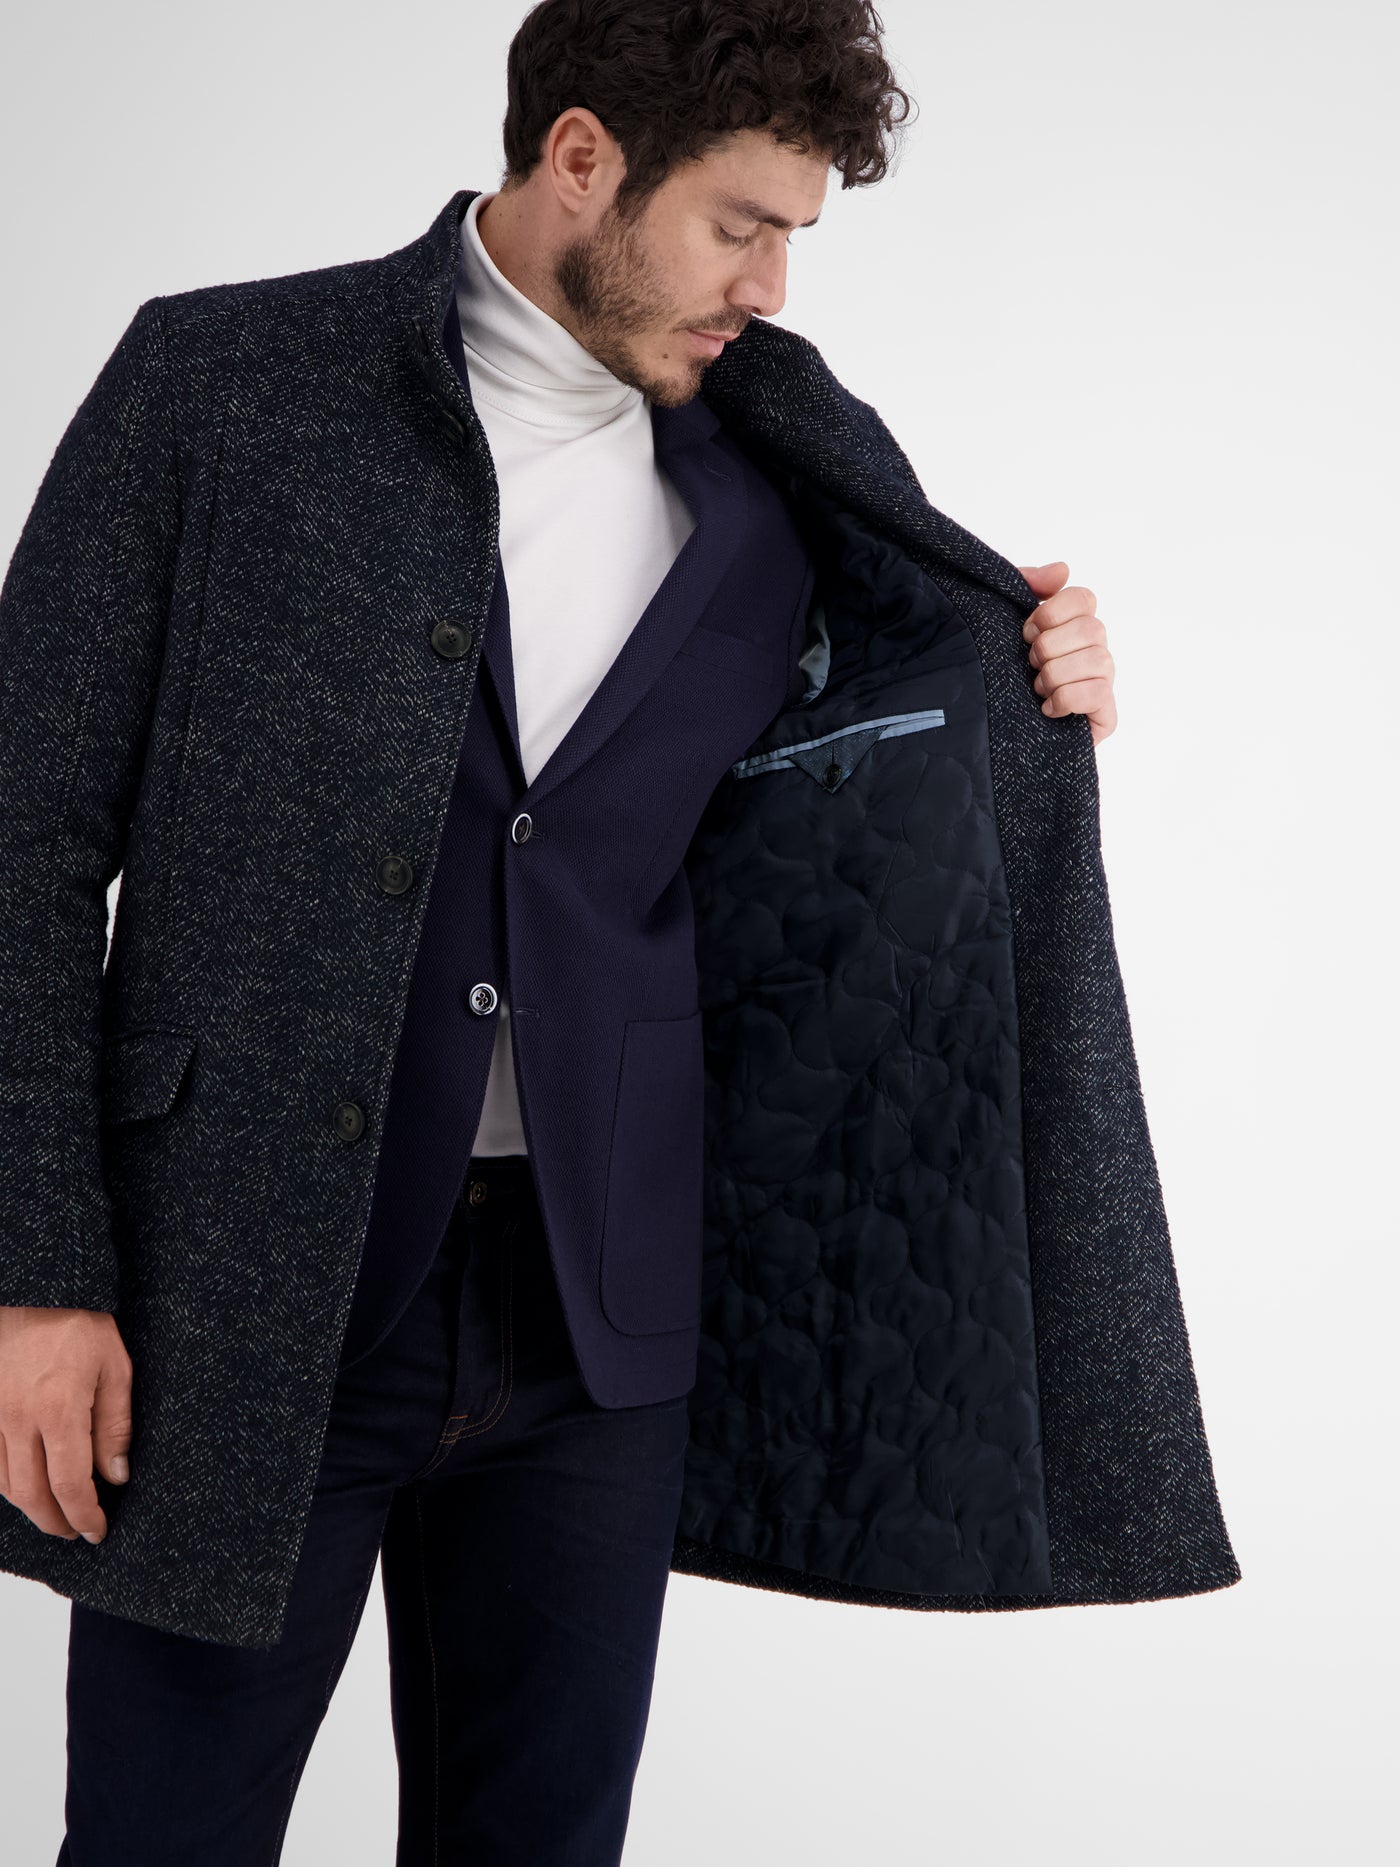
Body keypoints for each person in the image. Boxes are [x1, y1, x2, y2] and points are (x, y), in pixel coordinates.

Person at [0, 3, 1238, 1863]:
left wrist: (1037, 679)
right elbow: (22, 837)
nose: (772, 283)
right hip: (240, 1289)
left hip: (601, 1313)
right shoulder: (224, 384)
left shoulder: (780, 460)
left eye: (798, 235)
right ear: (581, 158)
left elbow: (886, 742)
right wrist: (39, 1275)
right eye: (740, 224)